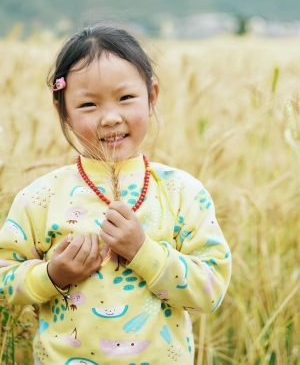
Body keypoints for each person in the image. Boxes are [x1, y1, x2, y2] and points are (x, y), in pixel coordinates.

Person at [0, 24, 231, 365]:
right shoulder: (40, 197)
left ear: (152, 95)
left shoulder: (182, 192)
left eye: (126, 98)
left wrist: (144, 252)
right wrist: (53, 275)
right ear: (62, 108)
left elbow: (210, 291)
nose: (110, 117)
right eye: (89, 104)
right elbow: (5, 278)